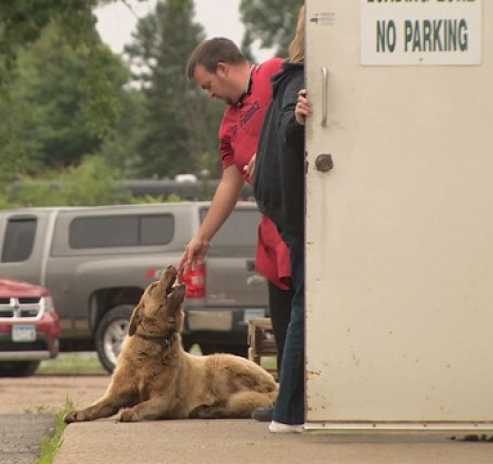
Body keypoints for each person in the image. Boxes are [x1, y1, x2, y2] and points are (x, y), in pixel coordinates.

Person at [179, 38, 292, 414]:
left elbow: (308, 118)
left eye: (208, 85)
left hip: (301, 217)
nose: (209, 95)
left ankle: (304, 400)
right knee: (282, 313)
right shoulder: (228, 124)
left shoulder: (275, 73)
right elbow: (230, 182)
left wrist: (274, 148)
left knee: (305, 309)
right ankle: (290, 397)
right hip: (271, 225)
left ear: (223, 69)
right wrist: (202, 237)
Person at [251, 4, 311, 433]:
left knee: (303, 307)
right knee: (304, 309)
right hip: (297, 213)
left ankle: (290, 408)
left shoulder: (285, 77)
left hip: (283, 210)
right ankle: (289, 410)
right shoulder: (301, 80)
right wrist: (300, 120)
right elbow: (292, 125)